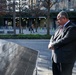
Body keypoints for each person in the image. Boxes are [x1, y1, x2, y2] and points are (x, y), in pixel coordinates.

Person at [48, 11, 76, 75]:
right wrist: (50, 43)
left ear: (64, 18)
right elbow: (53, 36)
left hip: (65, 59)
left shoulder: (72, 28)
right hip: (56, 58)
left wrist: (53, 44)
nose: (57, 21)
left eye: (59, 19)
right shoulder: (59, 27)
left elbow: (65, 40)